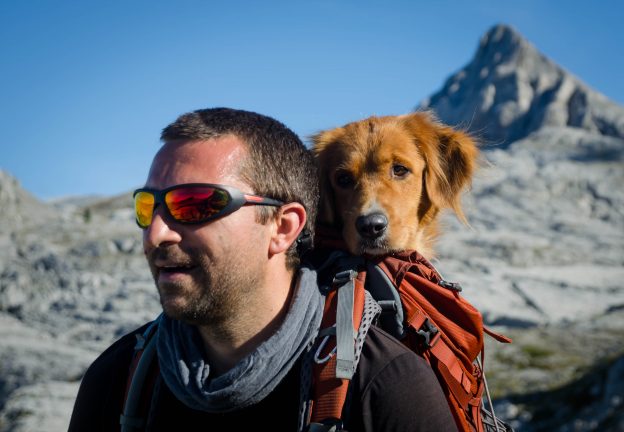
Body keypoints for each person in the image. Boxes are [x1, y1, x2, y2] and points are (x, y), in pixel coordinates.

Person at [68, 107, 457, 431]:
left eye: (197, 204)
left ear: (285, 226)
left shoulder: (386, 386)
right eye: (148, 207)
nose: (155, 234)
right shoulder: (118, 379)